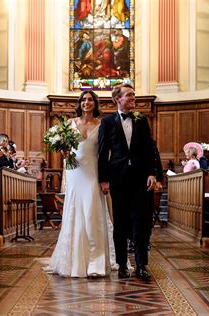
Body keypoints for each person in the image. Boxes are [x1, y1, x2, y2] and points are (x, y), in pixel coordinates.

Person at [46, 90, 117, 278]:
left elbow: (105, 153)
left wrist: (105, 178)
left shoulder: (102, 125)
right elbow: (64, 148)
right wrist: (63, 151)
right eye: (84, 100)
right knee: (74, 212)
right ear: (80, 103)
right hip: (75, 171)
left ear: (95, 103)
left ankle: (96, 262)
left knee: (93, 213)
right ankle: (74, 262)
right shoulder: (69, 124)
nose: (87, 102)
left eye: (90, 99)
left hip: (93, 171)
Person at [98, 83, 156, 281]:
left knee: (140, 223)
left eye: (134, 94)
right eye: (129, 95)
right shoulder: (107, 123)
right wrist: (103, 179)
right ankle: (122, 265)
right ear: (118, 99)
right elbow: (102, 152)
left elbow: (150, 149)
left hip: (140, 179)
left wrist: (152, 173)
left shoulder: (142, 120)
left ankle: (141, 265)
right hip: (118, 179)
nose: (133, 97)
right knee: (120, 223)